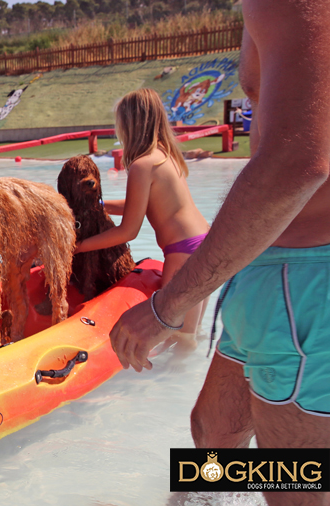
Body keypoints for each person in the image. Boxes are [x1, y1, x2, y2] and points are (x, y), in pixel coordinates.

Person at [110, 2, 330, 504]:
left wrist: (166, 307)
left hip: (307, 282)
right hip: (270, 266)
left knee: (294, 489)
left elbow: (298, 161)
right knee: (212, 435)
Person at [75, 88, 211, 352]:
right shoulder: (165, 156)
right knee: (191, 338)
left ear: (129, 124)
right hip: (203, 245)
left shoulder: (142, 165)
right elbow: (142, 206)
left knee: (178, 343)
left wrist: (77, 247)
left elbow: (128, 231)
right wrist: (97, 205)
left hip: (183, 255)